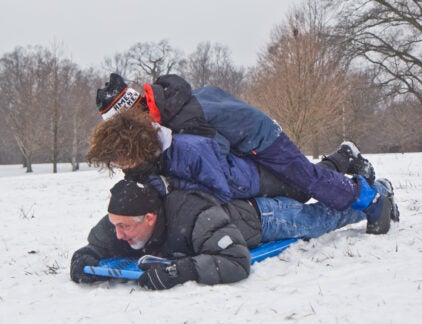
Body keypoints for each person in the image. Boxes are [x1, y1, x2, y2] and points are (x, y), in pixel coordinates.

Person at [95, 73, 390, 234]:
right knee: (295, 184)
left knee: (307, 181)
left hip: (261, 138)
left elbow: (212, 156)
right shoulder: (164, 106)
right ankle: (345, 157)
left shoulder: (181, 118)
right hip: (241, 142)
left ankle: (371, 199)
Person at [70, 178, 398, 290]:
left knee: (321, 219)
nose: (118, 233)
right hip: (236, 215)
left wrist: (178, 270)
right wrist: (85, 257)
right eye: (115, 224)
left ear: (150, 218)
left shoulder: (193, 216)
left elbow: (236, 262)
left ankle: (378, 192)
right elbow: (99, 242)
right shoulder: (127, 219)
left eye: (124, 226)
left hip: (265, 218)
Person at [86, 106, 364, 206]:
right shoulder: (149, 159)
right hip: (246, 181)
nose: (120, 166)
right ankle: (343, 156)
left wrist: (173, 188)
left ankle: (355, 178)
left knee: (305, 188)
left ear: (135, 148)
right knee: (304, 180)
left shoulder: (190, 149)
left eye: (120, 159)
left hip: (254, 181)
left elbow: (221, 192)